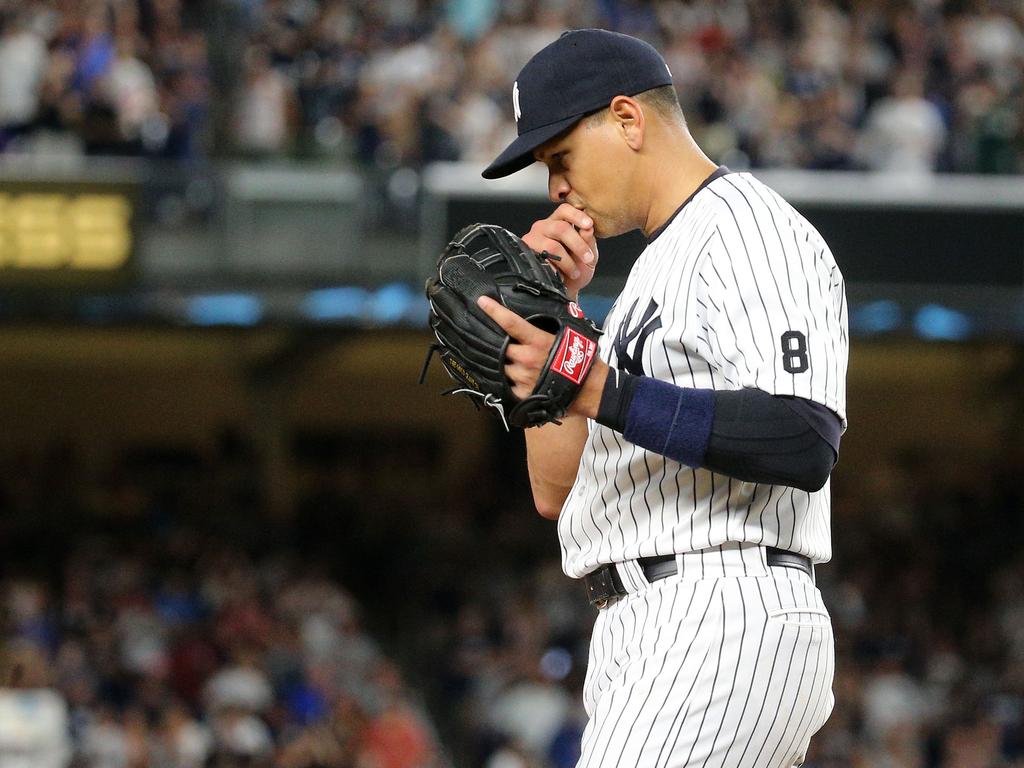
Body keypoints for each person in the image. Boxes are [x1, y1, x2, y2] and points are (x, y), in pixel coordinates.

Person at [477, 29, 848, 767]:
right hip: (645, 622)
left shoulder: (747, 229)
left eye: (560, 159)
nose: (554, 187)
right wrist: (561, 313)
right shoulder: (653, 269)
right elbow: (557, 493)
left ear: (627, 119)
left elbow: (804, 439)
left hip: (719, 606)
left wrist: (597, 385)